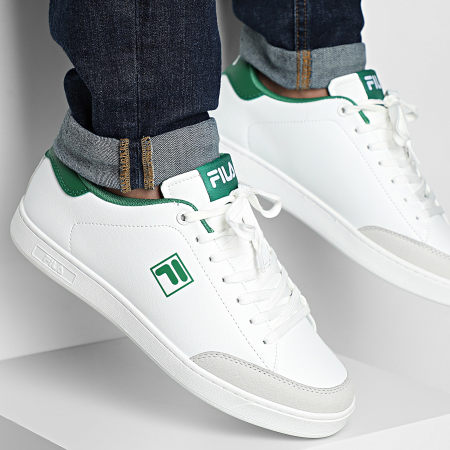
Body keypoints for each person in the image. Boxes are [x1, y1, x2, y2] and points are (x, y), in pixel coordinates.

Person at [10, 0, 450, 438]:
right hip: (134, 152)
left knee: (308, 50)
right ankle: (140, 171)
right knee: (153, 144)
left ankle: (306, 72)